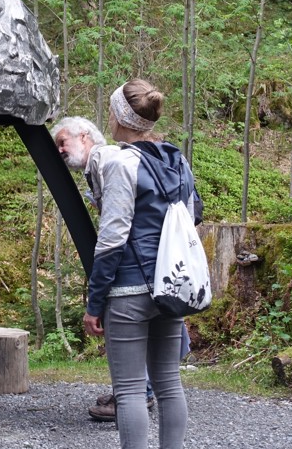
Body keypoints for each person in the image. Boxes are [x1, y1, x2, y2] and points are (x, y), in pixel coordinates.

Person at [80, 79, 198, 449]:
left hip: (129, 289)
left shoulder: (118, 162)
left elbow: (111, 238)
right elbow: (193, 212)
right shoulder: (176, 159)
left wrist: (94, 302)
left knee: (129, 390)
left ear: (120, 117)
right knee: (168, 382)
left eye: (111, 111)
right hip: (172, 285)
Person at [50, 117, 193, 422]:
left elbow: (114, 236)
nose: (60, 150)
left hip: (137, 272)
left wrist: (96, 299)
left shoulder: (109, 161)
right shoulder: (115, 162)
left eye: (63, 141)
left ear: (85, 135)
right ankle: (141, 393)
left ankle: (138, 393)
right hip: (164, 269)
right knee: (169, 372)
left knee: (138, 341)